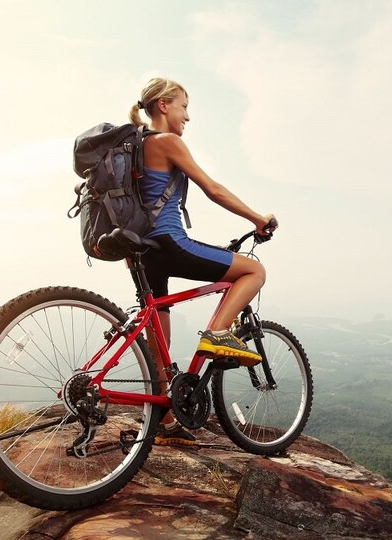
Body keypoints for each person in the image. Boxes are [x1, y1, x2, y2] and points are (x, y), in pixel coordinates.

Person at [129, 77, 276, 446]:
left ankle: (163, 417)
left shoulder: (134, 146)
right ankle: (217, 334)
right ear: (163, 105)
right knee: (253, 270)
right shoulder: (166, 142)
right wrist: (257, 219)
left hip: (139, 252)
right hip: (167, 242)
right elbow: (214, 189)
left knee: (159, 333)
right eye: (183, 106)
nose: (187, 117)